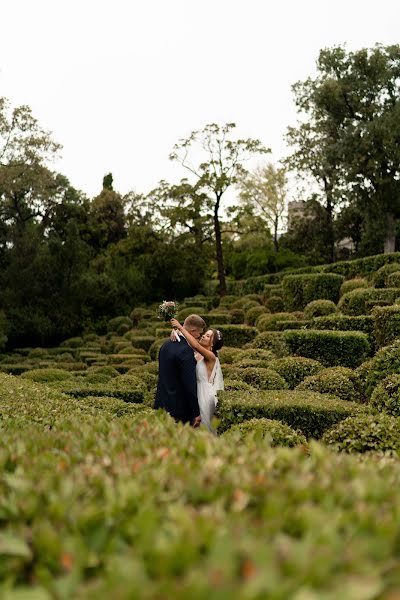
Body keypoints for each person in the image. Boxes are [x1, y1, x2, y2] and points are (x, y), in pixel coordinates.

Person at [170, 317, 224, 434]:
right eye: (205, 334)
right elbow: (190, 344)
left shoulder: (211, 357)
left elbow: (196, 346)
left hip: (205, 396)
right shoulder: (196, 354)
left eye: (208, 336)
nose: (203, 336)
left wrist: (180, 327)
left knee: (203, 430)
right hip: (195, 393)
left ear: (212, 344)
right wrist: (176, 333)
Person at [154, 314, 205, 427]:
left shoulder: (165, 345)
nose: (199, 336)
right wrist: (196, 412)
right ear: (193, 330)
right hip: (179, 410)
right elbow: (190, 385)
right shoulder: (186, 351)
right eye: (199, 333)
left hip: (160, 405)